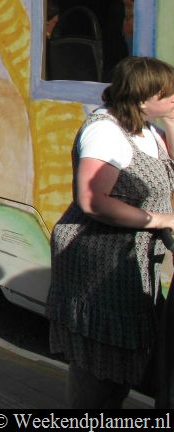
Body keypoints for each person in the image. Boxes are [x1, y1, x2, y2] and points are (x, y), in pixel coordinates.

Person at [47, 56, 174, 408]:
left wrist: (170, 119)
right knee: (100, 367)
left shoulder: (146, 127)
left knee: (120, 363)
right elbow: (92, 201)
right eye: (168, 94)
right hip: (97, 258)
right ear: (142, 98)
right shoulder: (105, 132)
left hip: (128, 260)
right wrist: (161, 220)